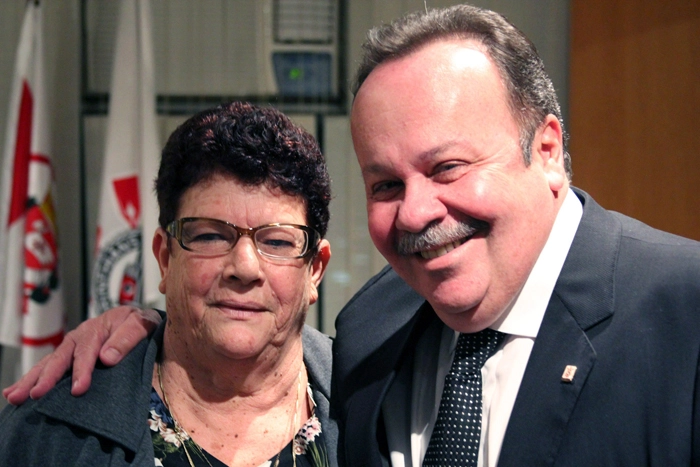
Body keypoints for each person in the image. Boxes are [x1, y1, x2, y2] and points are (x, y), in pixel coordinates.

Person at [6, 4, 700, 466]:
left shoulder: (685, 315)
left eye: (448, 166)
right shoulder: (376, 329)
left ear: (547, 149)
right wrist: (145, 327)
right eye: (386, 184)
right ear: (164, 253)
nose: (418, 211)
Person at [0, 101, 337, 467]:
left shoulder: (380, 409)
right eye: (210, 236)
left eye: (277, 242)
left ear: (315, 269)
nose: (244, 267)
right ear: (164, 258)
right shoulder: (49, 433)